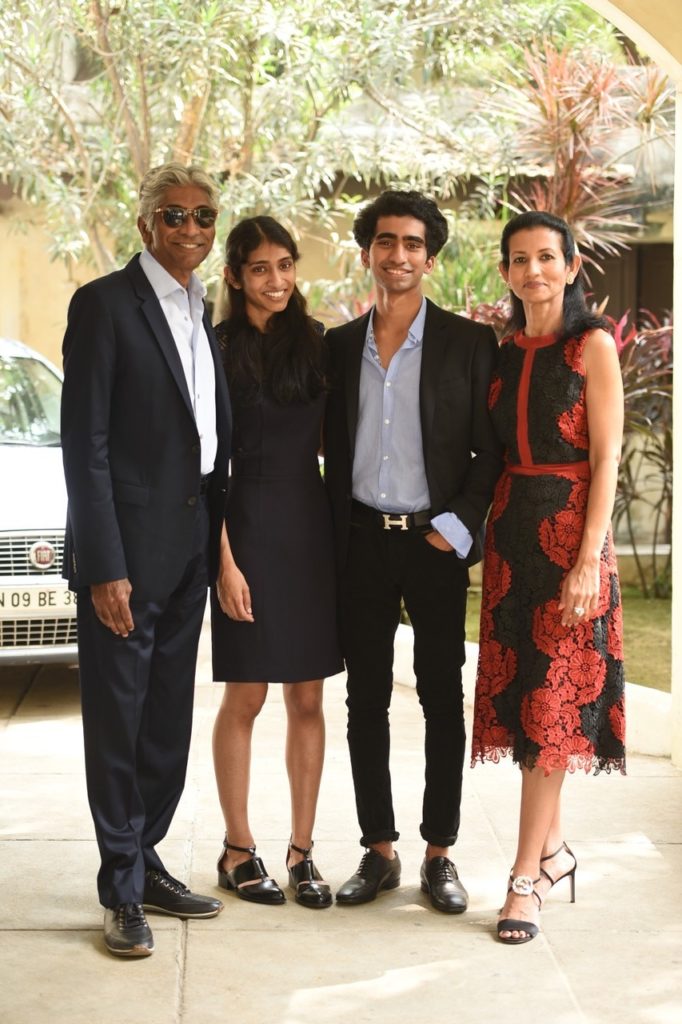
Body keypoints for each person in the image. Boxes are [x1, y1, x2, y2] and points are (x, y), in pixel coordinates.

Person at [61, 163, 232, 957]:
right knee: (119, 726)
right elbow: (86, 446)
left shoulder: (202, 310)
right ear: (145, 225)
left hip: (189, 552)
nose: (191, 229)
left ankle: (147, 858)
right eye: (175, 215)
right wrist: (102, 564)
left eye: (204, 216)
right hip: (125, 558)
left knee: (166, 723)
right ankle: (121, 888)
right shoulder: (103, 306)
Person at [323, 190, 503, 912]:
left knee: (439, 696)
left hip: (435, 544)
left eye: (412, 243)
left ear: (430, 256)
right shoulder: (337, 348)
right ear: (368, 250)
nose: (398, 254)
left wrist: (456, 526)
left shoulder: (468, 344)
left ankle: (439, 852)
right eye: (385, 241)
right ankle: (379, 850)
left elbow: (489, 454)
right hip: (362, 541)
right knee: (364, 697)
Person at [471, 210, 625, 945]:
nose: (534, 270)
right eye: (520, 259)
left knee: (551, 715)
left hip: (571, 546)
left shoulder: (593, 346)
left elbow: (607, 459)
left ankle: (524, 878)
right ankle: (557, 853)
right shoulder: (502, 354)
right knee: (528, 709)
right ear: (506, 272)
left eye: (547, 258)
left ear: (570, 267)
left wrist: (589, 558)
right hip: (512, 549)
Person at [211, 216, 342, 909]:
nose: (276, 280)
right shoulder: (215, 348)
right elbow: (209, 468)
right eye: (260, 268)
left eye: (285, 265)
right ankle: (238, 848)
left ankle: (302, 851)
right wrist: (223, 561)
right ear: (235, 276)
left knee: (308, 697)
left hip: (308, 529)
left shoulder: (318, 344)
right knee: (247, 694)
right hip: (244, 532)